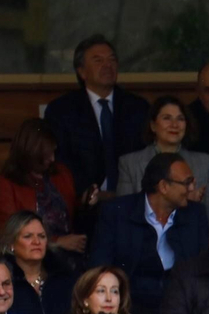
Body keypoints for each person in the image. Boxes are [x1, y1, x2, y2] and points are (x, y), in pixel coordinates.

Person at [86, 153, 209, 314]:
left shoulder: (196, 214)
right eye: (186, 182)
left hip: (180, 310)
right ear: (164, 186)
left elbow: (204, 269)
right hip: (128, 308)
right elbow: (99, 267)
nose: (192, 189)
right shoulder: (117, 212)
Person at [43, 34, 150, 200]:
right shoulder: (61, 111)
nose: (107, 65)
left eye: (112, 60)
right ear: (82, 71)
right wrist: (91, 194)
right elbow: (60, 160)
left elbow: (146, 154)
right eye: (98, 60)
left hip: (132, 201)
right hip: (82, 204)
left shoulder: (138, 108)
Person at [115, 95, 209, 220]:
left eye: (180, 119)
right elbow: (123, 215)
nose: (174, 124)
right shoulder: (129, 163)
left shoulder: (206, 164)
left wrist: (189, 205)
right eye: (167, 118)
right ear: (153, 125)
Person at [0, 118, 87, 259]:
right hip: (30, 257)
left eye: (54, 152)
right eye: (47, 154)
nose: (52, 159)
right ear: (32, 152)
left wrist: (85, 201)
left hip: (68, 256)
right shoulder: (6, 183)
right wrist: (58, 242)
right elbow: (13, 231)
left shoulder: (61, 173)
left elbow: (69, 212)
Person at [0, 211, 72, 314]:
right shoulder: (2, 283)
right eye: (28, 236)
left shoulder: (64, 278)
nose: (37, 242)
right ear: (11, 244)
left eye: (42, 236)